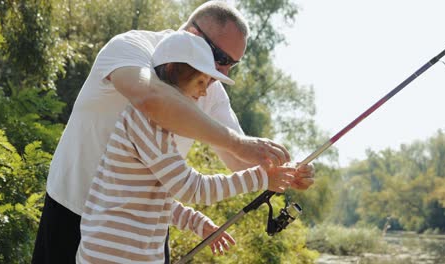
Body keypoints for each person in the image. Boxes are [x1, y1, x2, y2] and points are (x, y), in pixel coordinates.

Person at [32, 1, 314, 263]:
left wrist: (286, 171)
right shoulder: (131, 47)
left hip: (146, 237)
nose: (219, 75)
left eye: (231, 65)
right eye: (220, 57)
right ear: (193, 33)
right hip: (72, 211)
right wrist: (241, 147)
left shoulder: (206, 86)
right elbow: (151, 99)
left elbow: (239, 157)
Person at [76, 30, 296, 264]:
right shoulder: (145, 122)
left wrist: (196, 223)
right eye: (200, 81)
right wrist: (260, 178)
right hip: (111, 256)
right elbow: (192, 188)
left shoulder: (157, 128)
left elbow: (150, 198)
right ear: (171, 70)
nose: (204, 92)